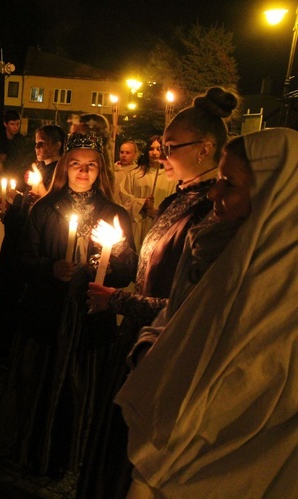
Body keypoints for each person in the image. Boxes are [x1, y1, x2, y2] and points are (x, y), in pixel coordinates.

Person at [116, 127, 298, 498]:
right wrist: (152, 346)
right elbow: (180, 313)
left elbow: (260, 375)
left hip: (225, 458)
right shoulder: (212, 243)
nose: (214, 193)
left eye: (229, 185)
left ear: (273, 194)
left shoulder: (283, 282)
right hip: (171, 419)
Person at [79, 87, 239, 499]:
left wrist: (116, 299)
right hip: (136, 337)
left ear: (205, 149)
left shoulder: (211, 212)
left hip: (162, 349)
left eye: (170, 147)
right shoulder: (179, 197)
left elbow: (191, 306)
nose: (160, 154)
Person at [0, 131, 135, 478]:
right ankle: (34, 447)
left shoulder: (115, 214)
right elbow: (20, 261)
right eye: (76, 164)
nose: (83, 172)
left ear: (101, 170)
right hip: (48, 315)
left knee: (80, 389)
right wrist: (50, 268)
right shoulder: (45, 208)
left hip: (90, 319)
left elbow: (128, 271)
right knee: (41, 385)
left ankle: (74, 452)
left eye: (90, 166)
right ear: (64, 168)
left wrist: (114, 252)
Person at [0, 125, 66, 359]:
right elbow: (24, 196)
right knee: (7, 286)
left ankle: (12, 346)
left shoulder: (60, 172)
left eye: (42, 143)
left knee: (19, 292)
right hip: (17, 234)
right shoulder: (37, 167)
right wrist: (11, 203)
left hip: (33, 239)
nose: (38, 148)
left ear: (57, 144)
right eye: (36, 143)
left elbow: (52, 203)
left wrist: (40, 193)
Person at [120, 136, 177, 251]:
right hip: (137, 224)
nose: (155, 153)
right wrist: (142, 203)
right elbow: (123, 198)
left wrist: (157, 212)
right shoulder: (135, 175)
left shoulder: (171, 177)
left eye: (158, 149)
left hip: (159, 226)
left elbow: (175, 203)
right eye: (151, 149)